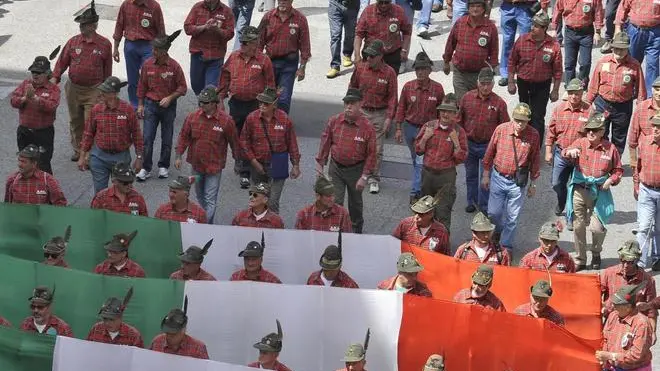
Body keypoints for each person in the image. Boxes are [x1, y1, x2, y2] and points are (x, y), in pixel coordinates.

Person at [51, 1, 112, 162]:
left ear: (93, 26)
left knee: (90, 122)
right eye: (80, 25)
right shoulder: (73, 42)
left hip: (94, 89)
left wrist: (106, 91)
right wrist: (55, 77)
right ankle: (78, 150)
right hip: (73, 88)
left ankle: (90, 152)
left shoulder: (105, 44)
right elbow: (62, 61)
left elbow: (108, 69)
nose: (81, 27)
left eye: (84, 25)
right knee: (75, 121)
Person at [563, 113, 623, 270]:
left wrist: (611, 180)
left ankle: (596, 252)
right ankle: (580, 259)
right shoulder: (581, 143)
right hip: (579, 189)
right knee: (578, 226)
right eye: (589, 129)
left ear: (602, 131)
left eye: (595, 130)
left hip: (599, 192)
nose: (591, 132)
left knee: (597, 228)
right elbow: (567, 151)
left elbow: (618, 170)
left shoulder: (611, 149)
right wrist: (570, 152)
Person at [219, 25, 276, 189]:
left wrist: (269, 105)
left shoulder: (264, 60)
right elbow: (224, 77)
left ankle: (248, 169)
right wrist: (221, 98)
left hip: (255, 104)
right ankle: (241, 165)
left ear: (255, 44)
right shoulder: (234, 57)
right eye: (241, 43)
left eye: (245, 43)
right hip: (236, 103)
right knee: (237, 135)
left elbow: (270, 85)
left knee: (253, 136)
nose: (242, 46)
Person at [316, 88, 377, 233]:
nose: (348, 106)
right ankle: (335, 229)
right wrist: (320, 165)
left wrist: (364, 177)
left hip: (356, 170)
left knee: (355, 204)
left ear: (360, 104)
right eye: (346, 103)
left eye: (352, 103)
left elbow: (372, 154)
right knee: (334, 200)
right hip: (336, 168)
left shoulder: (367, 128)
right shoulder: (334, 121)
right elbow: (325, 143)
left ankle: (356, 231)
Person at [482, 103, 540, 252]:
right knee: (493, 213)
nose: (520, 124)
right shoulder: (501, 130)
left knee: (512, 218)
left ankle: (506, 246)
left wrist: (533, 184)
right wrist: (486, 174)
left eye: (524, 121)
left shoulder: (533, 135)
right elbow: (489, 152)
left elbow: (535, 160)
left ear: (528, 121)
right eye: (517, 120)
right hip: (498, 177)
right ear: (512, 119)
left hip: (517, 183)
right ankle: (498, 230)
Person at [175, 86, 239, 223]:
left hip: (214, 168)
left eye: (205, 102)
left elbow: (234, 142)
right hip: (197, 166)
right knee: (199, 195)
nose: (201, 105)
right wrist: (178, 155)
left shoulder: (226, 121)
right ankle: (206, 220)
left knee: (210, 198)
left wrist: (237, 161)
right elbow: (183, 137)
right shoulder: (192, 117)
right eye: (200, 102)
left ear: (214, 103)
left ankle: (204, 224)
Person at [136, 30, 188, 182]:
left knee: (167, 138)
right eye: (153, 48)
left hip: (168, 108)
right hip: (150, 105)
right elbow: (142, 86)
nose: (153, 51)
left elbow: (183, 88)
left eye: (157, 49)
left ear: (165, 51)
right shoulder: (147, 65)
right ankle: (146, 168)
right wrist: (140, 105)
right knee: (147, 138)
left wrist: (170, 97)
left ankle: (163, 165)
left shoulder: (174, 67)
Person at [240, 87, 301, 213]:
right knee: (257, 200)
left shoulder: (284, 120)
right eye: (260, 102)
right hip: (258, 164)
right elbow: (244, 141)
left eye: (266, 103)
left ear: (274, 104)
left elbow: (292, 143)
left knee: (272, 201)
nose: (262, 105)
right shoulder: (251, 118)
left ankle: (273, 228)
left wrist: (295, 165)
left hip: (278, 164)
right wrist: (253, 162)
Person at [395, 51, 445, 203]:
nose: (420, 72)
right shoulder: (408, 87)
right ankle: (423, 185)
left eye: (423, 68)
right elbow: (401, 108)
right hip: (410, 128)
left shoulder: (437, 89)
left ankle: (415, 192)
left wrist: (440, 130)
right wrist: (398, 128)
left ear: (430, 70)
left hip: (428, 131)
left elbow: (442, 111)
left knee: (420, 161)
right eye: (418, 69)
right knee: (417, 160)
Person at [78, 76, 144, 194]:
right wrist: (82, 156)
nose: (101, 93)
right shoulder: (96, 109)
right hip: (99, 157)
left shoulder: (127, 110)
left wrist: (139, 157)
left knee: (123, 192)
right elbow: (88, 133)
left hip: (121, 158)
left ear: (114, 94)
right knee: (100, 193)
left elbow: (137, 134)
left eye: (105, 91)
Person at [349, 40, 397, 194]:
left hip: (380, 114)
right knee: (356, 144)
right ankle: (357, 174)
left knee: (376, 149)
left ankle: (374, 178)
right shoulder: (361, 68)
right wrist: (350, 108)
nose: (368, 58)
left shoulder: (389, 73)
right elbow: (352, 88)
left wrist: (389, 118)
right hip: (361, 111)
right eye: (367, 55)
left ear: (380, 56)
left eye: (372, 56)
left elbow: (392, 97)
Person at [458, 67, 509, 214]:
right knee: (470, 175)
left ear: (493, 84)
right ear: (477, 83)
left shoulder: (499, 103)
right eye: (482, 83)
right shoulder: (466, 98)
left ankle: (484, 205)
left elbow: (504, 127)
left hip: (488, 146)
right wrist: (460, 142)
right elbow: (459, 121)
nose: (485, 87)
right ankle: (471, 201)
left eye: (488, 84)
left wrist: (500, 147)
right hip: (470, 143)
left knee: (486, 178)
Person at [586, 32, 645, 155]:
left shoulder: (634, 65)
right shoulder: (603, 61)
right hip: (602, 104)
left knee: (619, 138)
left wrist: (641, 108)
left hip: (623, 107)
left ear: (627, 49)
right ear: (612, 47)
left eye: (622, 49)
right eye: (617, 48)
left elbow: (640, 89)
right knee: (600, 133)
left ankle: (615, 165)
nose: (619, 51)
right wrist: (588, 103)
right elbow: (593, 85)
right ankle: (601, 161)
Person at [507, 12, 562, 144]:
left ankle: (535, 146)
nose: (532, 28)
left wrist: (555, 90)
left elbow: (558, 71)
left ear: (544, 28)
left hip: (542, 85)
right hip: (523, 83)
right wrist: (510, 82)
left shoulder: (553, 45)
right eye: (533, 24)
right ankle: (523, 141)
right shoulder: (522, 40)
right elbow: (512, 62)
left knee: (538, 116)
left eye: (537, 26)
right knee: (525, 113)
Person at [415, 94, 467, 230]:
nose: (445, 114)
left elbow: (461, 158)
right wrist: (425, 138)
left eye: (449, 111)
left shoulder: (459, 132)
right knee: (424, 211)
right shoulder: (429, 126)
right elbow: (418, 150)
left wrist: (456, 142)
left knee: (443, 213)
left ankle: (442, 245)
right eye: (443, 110)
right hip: (427, 174)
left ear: (455, 113)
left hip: (446, 177)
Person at [545, 78, 590, 223]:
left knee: (574, 188)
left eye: (577, 93)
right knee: (556, 184)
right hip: (560, 154)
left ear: (582, 93)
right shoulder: (559, 109)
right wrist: (548, 151)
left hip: (580, 157)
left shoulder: (589, 111)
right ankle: (561, 201)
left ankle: (571, 218)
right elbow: (551, 131)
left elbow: (593, 136)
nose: (574, 96)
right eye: (571, 93)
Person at [9, 50, 61, 174]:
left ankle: (47, 191)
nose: (35, 75)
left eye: (39, 72)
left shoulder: (53, 89)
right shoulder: (26, 84)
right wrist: (24, 99)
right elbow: (13, 101)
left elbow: (52, 106)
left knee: (43, 164)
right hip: (25, 132)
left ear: (47, 74)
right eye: (33, 72)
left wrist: (36, 99)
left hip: (43, 133)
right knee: (25, 163)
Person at [257, 0, 311, 113]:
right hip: (269, 62)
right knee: (266, 96)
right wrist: (257, 62)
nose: (281, 2)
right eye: (279, 0)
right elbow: (259, 41)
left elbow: (305, 45)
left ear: (291, 1)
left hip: (289, 65)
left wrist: (302, 67)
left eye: (285, 0)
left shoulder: (300, 19)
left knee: (283, 98)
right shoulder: (268, 17)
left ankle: (281, 126)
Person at [442, 0, 499, 101]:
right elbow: (450, 43)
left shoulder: (490, 27)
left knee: (477, 103)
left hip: (480, 74)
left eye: (478, 6)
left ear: (484, 8)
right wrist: (446, 61)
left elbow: (494, 51)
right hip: (460, 72)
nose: (475, 9)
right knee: (462, 102)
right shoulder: (460, 22)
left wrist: (491, 70)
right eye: (472, 6)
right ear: (468, 8)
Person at [112, 0, 165, 108]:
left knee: (148, 76)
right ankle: (135, 105)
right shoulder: (126, 4)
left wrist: (162, 51)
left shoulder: (154, 6)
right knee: (132, 79)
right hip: (130, 45)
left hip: (149, 46)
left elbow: (161, 30)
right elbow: (119, 26)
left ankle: (148, 104)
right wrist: (115, 48)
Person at [600, 241, 657, 336]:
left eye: (630, 262)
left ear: (637, 260)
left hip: (634, 327)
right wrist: (602, 307)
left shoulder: (648, 280)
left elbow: (651, 309)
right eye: (623, 260)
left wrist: (652, 332)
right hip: (611, 323)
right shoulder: (608, 274)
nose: (626, 265)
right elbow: (593, 295)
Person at [183, 0, 235, 95]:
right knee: (196, 85)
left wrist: (217, 30)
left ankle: (207, 105)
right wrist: (204, 27)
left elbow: (230, 34)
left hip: (216, 57)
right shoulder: (197, 7)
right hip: (198, 54)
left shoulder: (227, 11)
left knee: (210, 90)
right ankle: (203, 104)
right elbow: (187, 28)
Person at [596, 285, 653, 370]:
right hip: (612, 367)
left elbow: (636, 354)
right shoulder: (613, 315)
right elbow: (605, 339)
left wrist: (610, 356)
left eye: (617, 304)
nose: (613, 306)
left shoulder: (642, 324)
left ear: (628, 307)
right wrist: (604, 358)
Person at [551, 0, 603, 89]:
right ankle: (569, 86)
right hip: (570, 32)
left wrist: (598, 31)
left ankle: (582, 85)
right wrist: (554, 28)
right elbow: (557, 10)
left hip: (586, 33)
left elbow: (598, 12)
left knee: (585, 63)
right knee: (569, 63)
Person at [615, 0, 660, 99]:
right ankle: (630, 89)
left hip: (655, 33)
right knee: (632, 62)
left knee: (653, 64)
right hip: (635, 31)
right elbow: (623, 7)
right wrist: (618, 27)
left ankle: (650, 97)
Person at [354, 0, 412, 74]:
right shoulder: (367, 11)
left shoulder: (399, 11)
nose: (383, 5)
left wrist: (404, 50)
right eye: (381, 2)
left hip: (392, 55)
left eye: (386, 2)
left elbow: (407, 32)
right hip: (371, 55)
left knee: (390, 82)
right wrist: (357, 56)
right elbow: (359, 35)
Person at [633, 113, 660, 269]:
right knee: (643, 227)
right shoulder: (644, 142)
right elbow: (637, 166)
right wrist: (636, 185)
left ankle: (657, 258)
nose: (655, 129)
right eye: (654, 125)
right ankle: (641, 263)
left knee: (659, 228)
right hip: (646, 190)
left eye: (659, 126)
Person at [497, 0, 534, 87]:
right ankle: (505, 74)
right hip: (508, 7)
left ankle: (524, 72)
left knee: (525, 43)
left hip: (524, 8)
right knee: (507, 42)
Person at [628, 77, 660, 174]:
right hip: (645, 158)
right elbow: (633, 136)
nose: (659, 93)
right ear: (652, 90)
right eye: (657, 90)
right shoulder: (642, 108)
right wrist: (633, 160)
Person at [326, 0, 359, 78]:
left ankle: (347, 54)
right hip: (335, 5)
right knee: (335, 36)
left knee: (350, 34)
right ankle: (335, 65)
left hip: (352, 6)